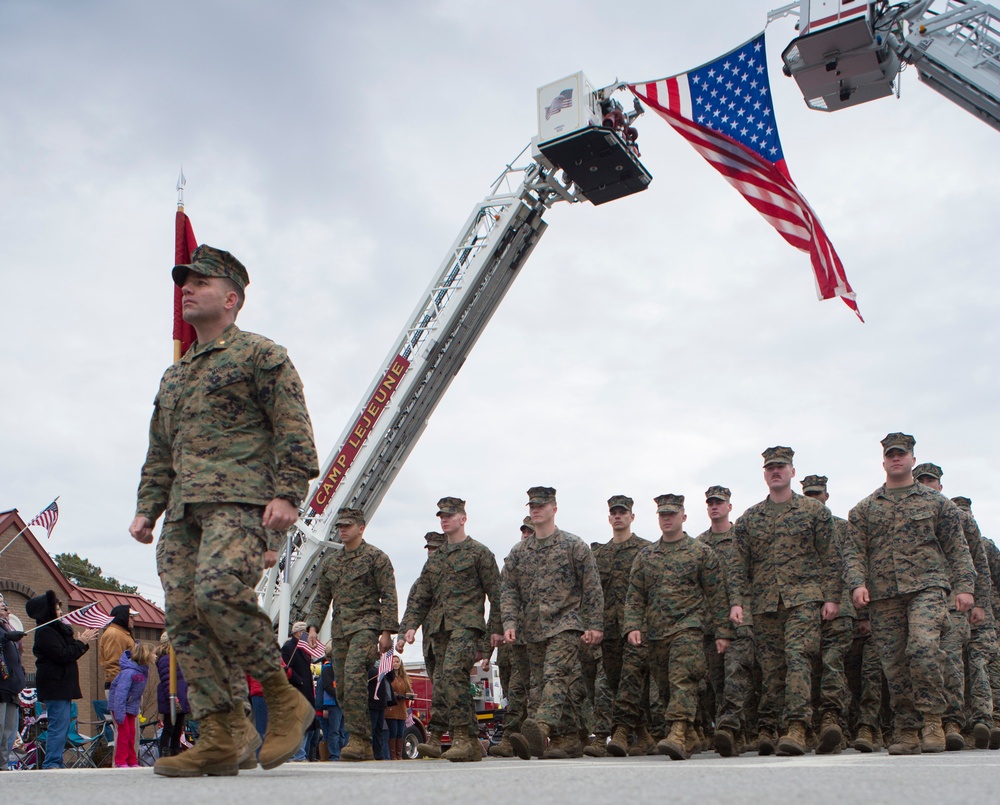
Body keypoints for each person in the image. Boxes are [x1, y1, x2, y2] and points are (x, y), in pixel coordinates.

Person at [130, 244, 320, 776]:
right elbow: (160, 449)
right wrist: (148, 508)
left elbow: (293, 429)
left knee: (218, 593)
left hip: (241, 503)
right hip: (182, 513)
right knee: (185, 619)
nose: (186, 289)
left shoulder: (261, 354)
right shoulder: (175, 376)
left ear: (231, 298)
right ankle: (223, 731)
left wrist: (287, 492)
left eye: (201, 282)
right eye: (184, 282)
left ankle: (284, 700)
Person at [843, 433, 976, 755]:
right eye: (891, 455)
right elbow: (853, 553)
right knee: (893, 661)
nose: (896, 459)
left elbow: (957, 549)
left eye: (902, 454)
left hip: (927, 588)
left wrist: (965, 587)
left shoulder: (937, 504)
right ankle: (906, 728)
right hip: (885, 594)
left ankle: (932, 720)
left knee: (923, 647)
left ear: (912, 459)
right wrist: (857, 584)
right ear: (884, 461)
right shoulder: (865, 509)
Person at [729, 446, 841, 757]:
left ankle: (798, 726)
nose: (775, 471)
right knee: (772, 669)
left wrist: (832, 597)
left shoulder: (814, 512)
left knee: (798, 658)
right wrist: (737, 602)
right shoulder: (749, 519)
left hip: (804, 599)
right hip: (765, 604)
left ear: (793, 472)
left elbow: (831, 557)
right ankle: (776, 727)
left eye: (781, 466)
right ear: (764, 474)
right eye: (770, 468)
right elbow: (738, 566)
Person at [624, 494, 732, 760]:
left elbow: (717, 595)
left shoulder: (700, 552)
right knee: (666, 689)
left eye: (672, 514)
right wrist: (632, 626)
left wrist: (722, 632)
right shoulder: (646, 556)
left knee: (682, 679)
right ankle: (693, 733)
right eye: (663, 515)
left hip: (689, 628)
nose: (667, 519)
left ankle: (678, 732)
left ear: (683, 517)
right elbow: (635, 596)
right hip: (657, 632)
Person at [501, 486, 604, 760]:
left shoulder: (574, 546)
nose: (535, 510)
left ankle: (541, 727)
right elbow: (508, 590)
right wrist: (509, 621)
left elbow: (592, 587)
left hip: (566, 624)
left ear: (554, 509)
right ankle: (567, 738)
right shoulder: (519, 552)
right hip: (532, 629)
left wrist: (594, 625)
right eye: (532, 506)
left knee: (554, 675)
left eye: (541, 506)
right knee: (539, 686)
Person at [397, 497, 503, 763]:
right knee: (446, 683)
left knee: (454, 671)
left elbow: (498, 595)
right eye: (441, 516)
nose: (444, 519)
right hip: (438, 632)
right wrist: (408, 627)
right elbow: (421, 597)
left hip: (467, 628)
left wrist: (494, 633)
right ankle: (468, 740)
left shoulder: (479, 553)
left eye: (449, 515)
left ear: (463, 519)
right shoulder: (435, 560)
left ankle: (463, 738)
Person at [306, 507, 398, 762]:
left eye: (347, 525)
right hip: (341, 630)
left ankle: (359, 739)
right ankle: (362, 742)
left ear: (361, 528)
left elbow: (389, 595)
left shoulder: (376, 558)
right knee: (344, 687)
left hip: (366, 627)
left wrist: (387, 632)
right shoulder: (332, 563)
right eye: (339, 526)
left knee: (356, 674)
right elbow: (322, 598)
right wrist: (313, 626)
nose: (342, 530)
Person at [912, 461, 991, 749]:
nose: (926, 485)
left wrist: (978, 602)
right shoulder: (909, 514)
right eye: (921, 480)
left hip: (956, 600)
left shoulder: (959, 517)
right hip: (921, 598)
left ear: (940, 486)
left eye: (931, 481)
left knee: (953, 661)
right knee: (924, 657)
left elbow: (977, 561)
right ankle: (926, 723)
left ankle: (953, 722)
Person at [696, 485, 758, 757]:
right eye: (710, 503)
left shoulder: (742, 538)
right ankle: (738, 735)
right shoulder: (699, 545)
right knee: (717, 681)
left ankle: (729, 727)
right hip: (710, 623)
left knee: (737, 672)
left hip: (741, 618)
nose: (714, 507)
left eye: (719, 502)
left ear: (729, 507)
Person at [593, 495, 653, 758]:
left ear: (632, 517)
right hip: (609, 631)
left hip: (638, 628)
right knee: (618, 683)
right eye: (614, 513)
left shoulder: (646, 550)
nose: (618, 516)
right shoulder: (600, 556)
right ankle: (645, 735)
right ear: (609, 518)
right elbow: (593, 595)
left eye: (623, 512)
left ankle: (619, 732)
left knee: (631, 679)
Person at [800, 474, 855, 754]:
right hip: (805, 607)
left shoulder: (843, 529)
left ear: (826, 497)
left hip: (840, 607)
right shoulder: (795, 529)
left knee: (833, 664)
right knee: (807, 666)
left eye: (817, 495)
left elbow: (854, 567)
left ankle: (833, 722)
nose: (814, 500)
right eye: (808, 495)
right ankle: (809, 727)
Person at [24, 590, 99, 769]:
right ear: (48, 610)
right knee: (57, 725)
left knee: (64, 725)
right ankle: (51, 762)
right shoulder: (45, 632)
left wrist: (81, 642)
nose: (60, 610)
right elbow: (62, 655)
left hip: (64, 685)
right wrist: (80, 643)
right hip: (54, 685)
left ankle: (56, 760)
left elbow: (70, 653)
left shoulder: (57, 630)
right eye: (57, 607)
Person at [110, 641, 156, 767]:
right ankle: (120, 761)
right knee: (124, 734)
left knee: (132, 734)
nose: (155, 656)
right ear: (146, 655)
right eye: (153, 653)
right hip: (121, 706)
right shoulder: (129, 672)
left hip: (130, 707)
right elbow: (121, 693)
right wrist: (119, 712)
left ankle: (131, 760)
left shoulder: (142, 671)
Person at [281, 622, 316, 762]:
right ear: (299, 633)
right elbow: (285, 667)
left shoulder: (304, 649)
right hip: (296, 689)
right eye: (305, 632)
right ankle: (298, 754)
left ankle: (301, 753)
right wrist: (299, 680)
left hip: (306, 689)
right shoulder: (289, 647)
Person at [0, 593, 27, 768]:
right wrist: (6, 638)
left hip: (11, 689)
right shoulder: (3, 633)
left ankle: (2, 766)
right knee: (0, 728)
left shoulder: (6, 628)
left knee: (8, 732)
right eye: (1, 604)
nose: (6, 607)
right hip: (1, 687)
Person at [156, 632, 191, 759]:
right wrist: (173, 697)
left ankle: (175, 755)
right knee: (169, 729)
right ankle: (164, 756)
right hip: (172, 698)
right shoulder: (165, 659)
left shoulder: (176, 658)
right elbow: (167, 680)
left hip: (180, 697)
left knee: (177, 730)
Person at [98, 606, 136, 694]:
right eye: (130, 616)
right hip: (119, 684)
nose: (133, 619)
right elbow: (113, 663)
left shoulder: (122, 633)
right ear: (123, 616)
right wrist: (122, 685)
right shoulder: (114, 634)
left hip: (125, 683)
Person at [318, 646, 347, 760]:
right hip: (333, 704)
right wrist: (339, 694)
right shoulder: (327, 669)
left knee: (342, 731)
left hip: (342, 704)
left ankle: (342, 752)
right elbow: (327, 687)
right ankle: (334, 754)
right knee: (334, 730)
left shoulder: (342, 669)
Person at [384, 654, 414, 760]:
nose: (395, 663)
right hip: (391, 708)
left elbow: (409, 690)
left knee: (400, 733)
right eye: (393, 661)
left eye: (397, 661)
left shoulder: (404, 677)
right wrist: (396, 695)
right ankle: (393, 756)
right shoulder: (388, 677)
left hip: (402, 709)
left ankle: (399, 755)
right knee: (393, 732)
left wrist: (410, 695)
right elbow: (388, 691)